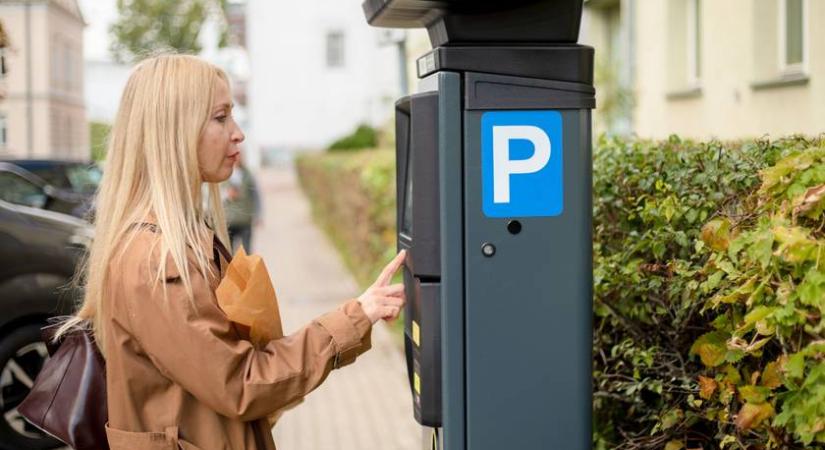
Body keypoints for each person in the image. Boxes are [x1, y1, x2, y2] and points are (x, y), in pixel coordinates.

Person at [53, 54, 406, 450]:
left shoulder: (174, 240)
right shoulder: (156, 260)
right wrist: (356, 317)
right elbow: (242, 383)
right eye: (220, 118)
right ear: (175, 131)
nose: (238, 134)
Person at [223, 157, 261, 252]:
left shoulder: (248, 175)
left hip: (245, 221)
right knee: (228, 253)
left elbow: (256, 196)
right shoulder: (223, 173)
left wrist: (258, 215)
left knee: (246, 252)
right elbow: (214, 195)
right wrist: (227, 194)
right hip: (228, 220)